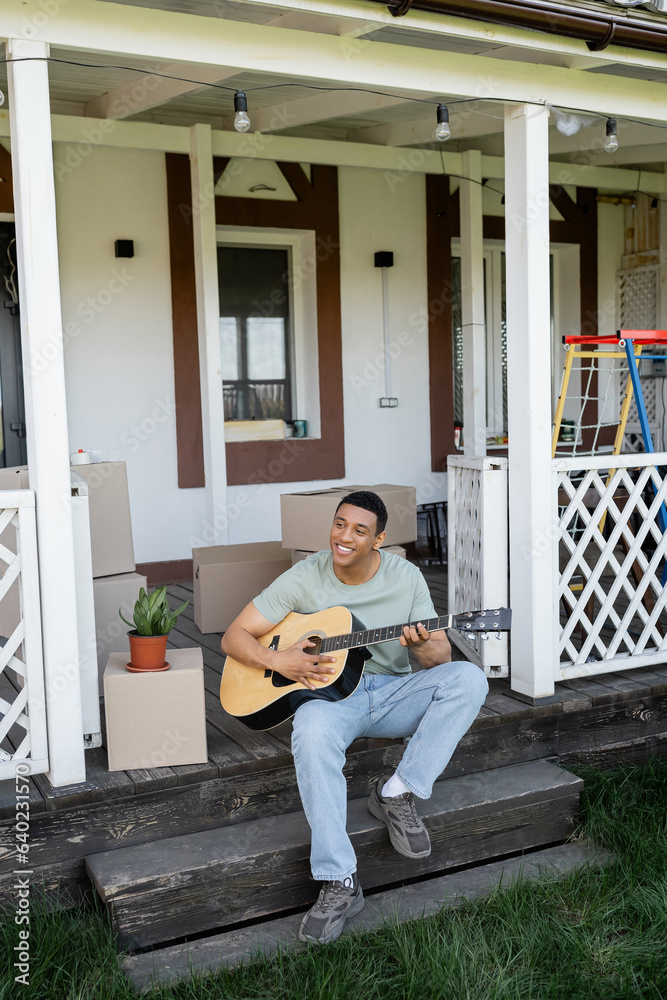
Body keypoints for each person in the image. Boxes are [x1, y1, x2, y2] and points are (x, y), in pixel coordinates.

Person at [220, 490, 489, 945]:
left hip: (390, 694)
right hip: (333, 702)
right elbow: (233, 637)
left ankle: (396, 792)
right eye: (339, 524)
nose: (344, 537)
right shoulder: (305, 575)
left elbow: (437, 662)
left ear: (378, 539)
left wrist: (420, 641)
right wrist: (280, 661)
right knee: (308, 727)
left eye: (359, 530)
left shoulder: (407, 578)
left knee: (469, 679)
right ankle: (339, 879)